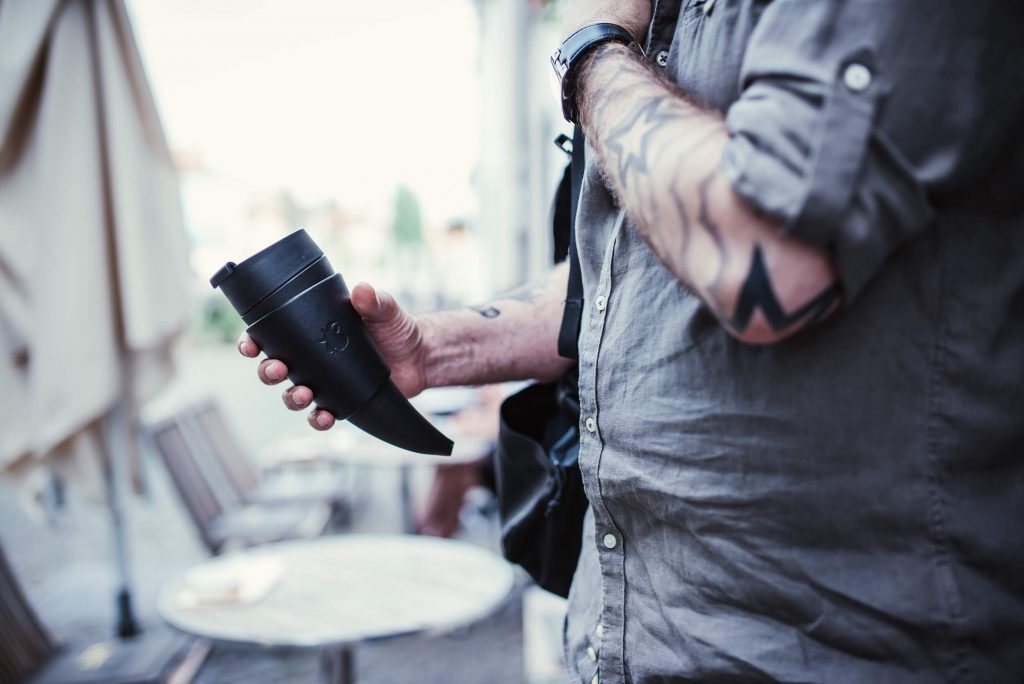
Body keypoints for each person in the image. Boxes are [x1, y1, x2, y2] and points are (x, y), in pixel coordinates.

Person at [239, 1, 1024, 680]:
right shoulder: (658, 21)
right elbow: (619, 280)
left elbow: (767, 253)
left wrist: (591, 50)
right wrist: (433, 349)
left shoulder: (618, 40)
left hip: (834, 649)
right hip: (626, 637)